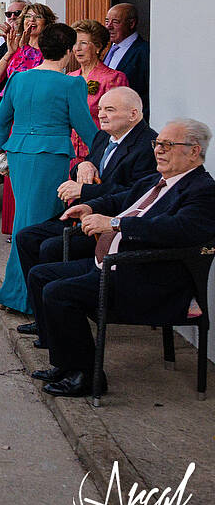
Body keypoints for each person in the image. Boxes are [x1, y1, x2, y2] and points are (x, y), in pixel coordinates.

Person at [29, 119, 215, 397]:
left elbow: (178, 230)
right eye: (157, 144)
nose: (159, 150)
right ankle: (66, 364)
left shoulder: (202, 190)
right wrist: (90, 205)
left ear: (193, 151)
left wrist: (115, 225)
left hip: (149, 278)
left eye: (167, 145)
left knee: (59, 293)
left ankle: (89, 377)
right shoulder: (158, 179)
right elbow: (122, 198)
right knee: (41, 275)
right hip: (115, 265)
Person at [13, 87, 157, 330]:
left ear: (133, 114)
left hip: (109, 225)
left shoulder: (147, 146)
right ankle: (44, 318)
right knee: (26, 237)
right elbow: (82, 173)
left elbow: (133, 196)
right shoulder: (103, 137)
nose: (101, 115)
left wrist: (85, 193)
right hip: (85, 212)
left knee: (50, 248)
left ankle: (59, 321)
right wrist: (83, 165)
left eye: (110, 110)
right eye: (100, 109)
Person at [0, 24, 99, 315]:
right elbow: (85, 127)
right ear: (69, 50)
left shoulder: (20, 78)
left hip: (20, 154)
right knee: (36, 224)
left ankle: (19, 292)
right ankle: (25, 297)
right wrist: (106, 150)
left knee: (26, 219)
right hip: (50, 156)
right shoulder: (70, 84)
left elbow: (0, 121)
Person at [0, 1, 57, 237]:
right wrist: (9, 52)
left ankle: (30, 228)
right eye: (28, 17)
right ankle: (16, 227)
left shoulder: (50, 54)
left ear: (47, 23)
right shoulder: (15, 48)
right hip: (12, 117)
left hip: (36, 120)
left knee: (31, 179)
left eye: (37, 17)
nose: (31, 21)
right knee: (13, 174)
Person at [67, 19, 128, 164]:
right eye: (75, 43)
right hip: (69, 154)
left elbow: (119, 121)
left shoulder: (113, 78)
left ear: (98, 47)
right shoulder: (70, 77)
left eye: (83, 43)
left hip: (98, 152)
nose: (77, 48)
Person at [102, 4, 148, 110]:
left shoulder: (144, 51)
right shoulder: (106, 49)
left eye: (115, 22)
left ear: (131, 24)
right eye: (107, 21)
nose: (109, 26)